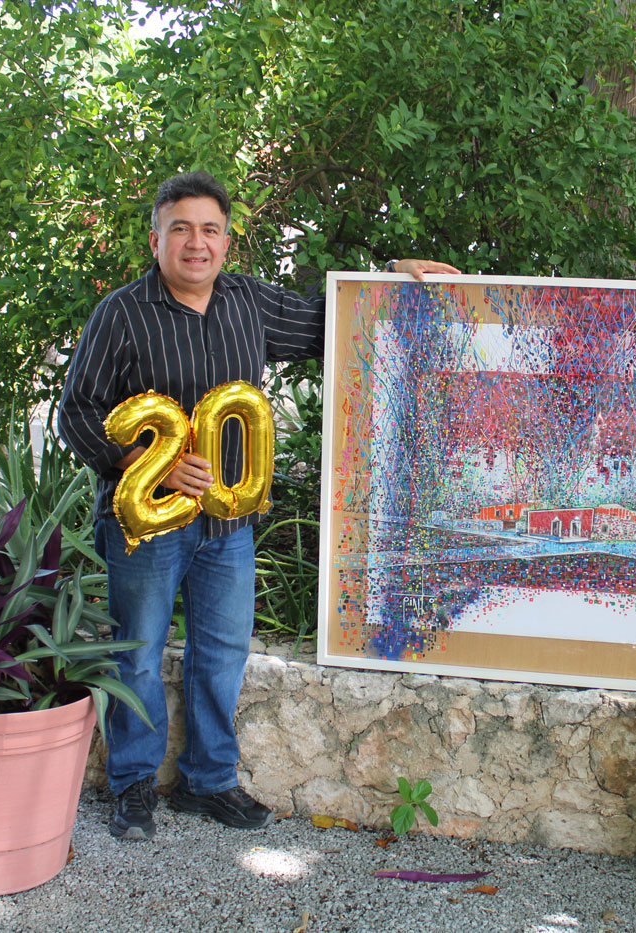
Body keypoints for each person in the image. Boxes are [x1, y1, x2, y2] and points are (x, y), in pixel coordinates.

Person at [58, 171, 460, 840]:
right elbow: (76, 412)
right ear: (155, 238)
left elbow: (328, 316)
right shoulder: (122, 313)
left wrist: (394, 273)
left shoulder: (248, 302)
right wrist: (143, 460)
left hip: (229, 524)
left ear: (227, 242)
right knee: (137, 652)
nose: (196, 242)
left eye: (209, 229)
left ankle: (207, 781)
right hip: (146, 526)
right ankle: (132, 785)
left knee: (221, 653)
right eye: (180, 228)